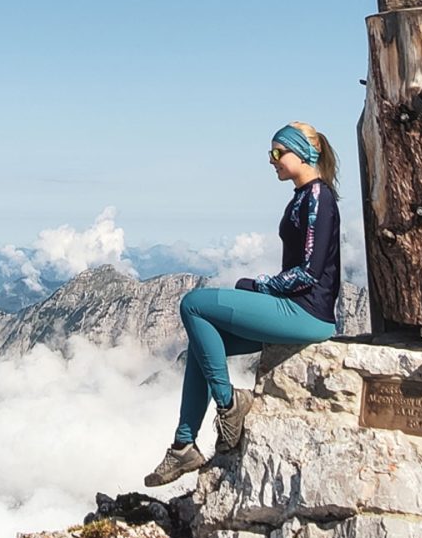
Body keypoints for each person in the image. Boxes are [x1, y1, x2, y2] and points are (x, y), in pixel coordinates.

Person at [144, 123, 343, 486]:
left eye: (277, 152)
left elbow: (310, 273)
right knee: (201, 351)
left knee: (194, 304)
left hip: (307, 314)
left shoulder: (318, 198)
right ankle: (183, 445)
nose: (271, 161)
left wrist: (258, 285)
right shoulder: (303, 196)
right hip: (295, 309)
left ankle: (229, 403)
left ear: (303, 152)